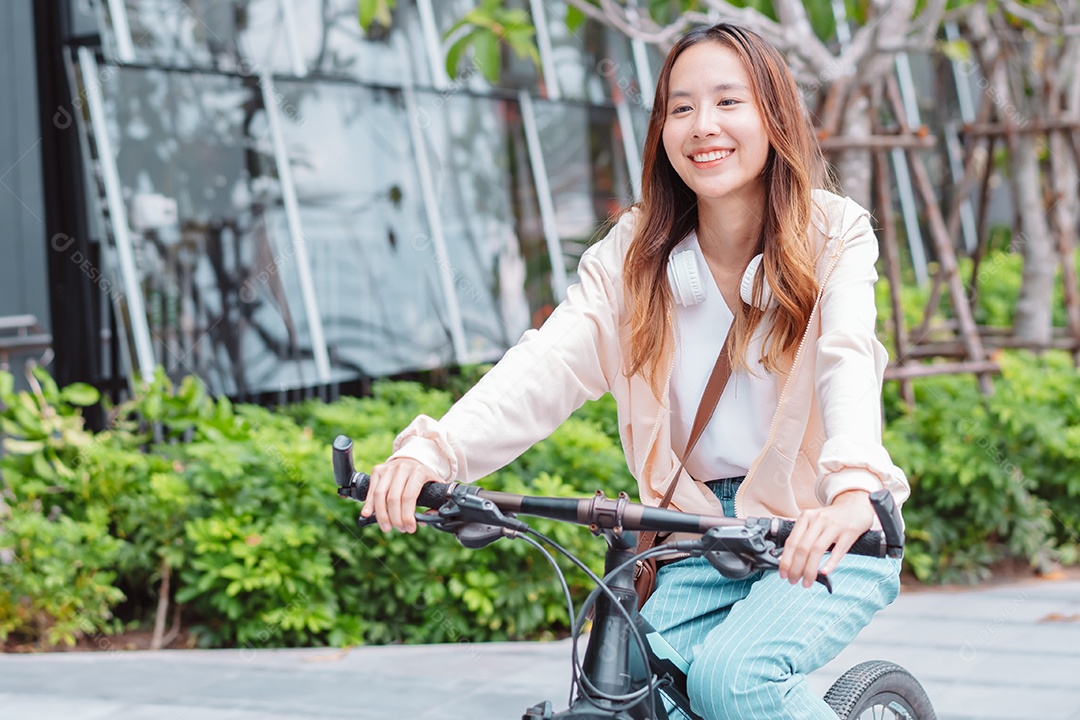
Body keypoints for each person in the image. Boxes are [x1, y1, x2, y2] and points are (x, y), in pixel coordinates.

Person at [362, 22, 910, 720]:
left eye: (727, 102)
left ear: (774, 116)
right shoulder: (636, 256)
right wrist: (432, 450)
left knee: (733, 680)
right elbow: (549, 362)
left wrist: (854, 486)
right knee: (618, 691)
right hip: (695, 541)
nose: (702, 126)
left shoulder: (833, 234)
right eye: (680, 108)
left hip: (827, 528)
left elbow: (848, 358)